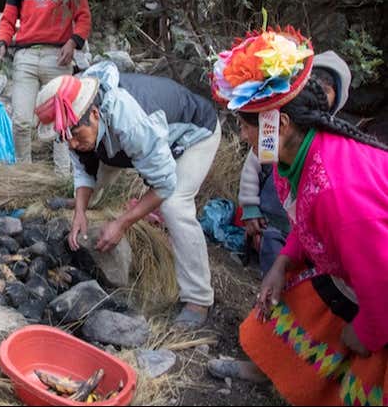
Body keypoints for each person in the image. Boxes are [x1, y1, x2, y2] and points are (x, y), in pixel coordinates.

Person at [206, 27, 388, 405]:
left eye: (245, 124)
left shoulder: (339, 192)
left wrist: (369, 331)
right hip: (359, 272)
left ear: (280, 124)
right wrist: (283, 262)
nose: (242, 136)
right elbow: (306, 219)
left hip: (379, 286)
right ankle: (270, 369)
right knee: (297, 300)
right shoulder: (295, 158)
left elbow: (380, 277)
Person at [34, 61, 221, 329]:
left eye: (75, 135)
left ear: (96, 114)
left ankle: (198, 298)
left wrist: (121, 223)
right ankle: (86, 205)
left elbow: (164, 184)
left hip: (194, 134)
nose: (72, 143)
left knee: (174, 206)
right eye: (66, 138)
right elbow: (83, 168)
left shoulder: (129, 121)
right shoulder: (75, 116)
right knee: (93, 166)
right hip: (127, 137)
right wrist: (79, 212)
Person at [0, 0, 92, 177]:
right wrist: (3, 41)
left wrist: (74, 42)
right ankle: (25, 174)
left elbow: (82, 16)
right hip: (24, 56)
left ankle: (63, 176)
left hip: (57, 57)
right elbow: (9, 17)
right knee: (22, 121)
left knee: (62, 121)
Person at [238, 51, 352, 274]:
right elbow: (252, 168)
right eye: (314, 81)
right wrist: (250, 208)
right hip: (273, 225)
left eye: (327, 87)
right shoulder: (273, 139)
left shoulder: (329, 166)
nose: (242, 136)